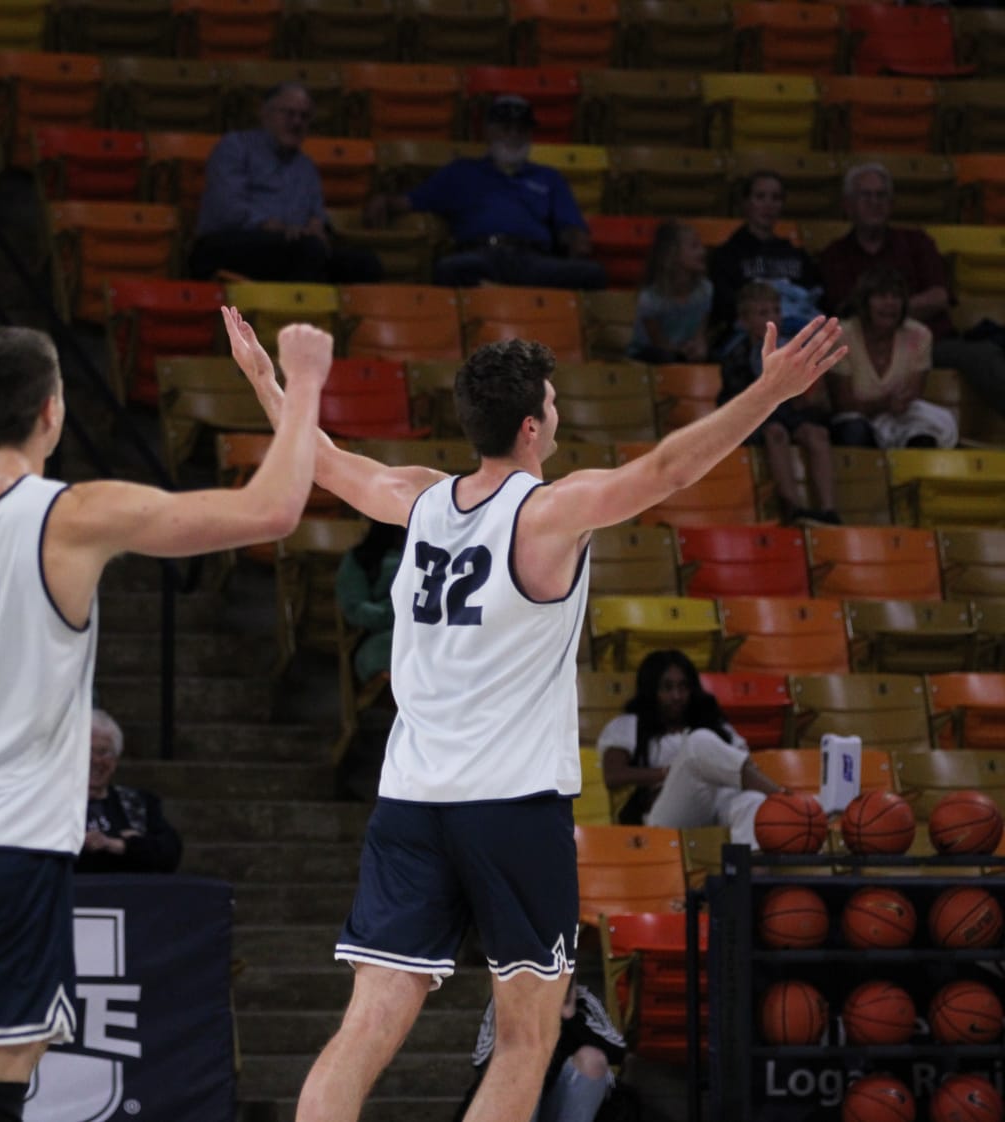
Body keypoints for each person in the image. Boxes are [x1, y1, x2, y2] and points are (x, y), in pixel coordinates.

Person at [222, 298, 846, 1122]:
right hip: (511, 808)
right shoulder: (547, 512)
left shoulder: (419, 499)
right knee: (525, 1041)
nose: (556, 416)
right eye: (550, 404)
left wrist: (270, 382)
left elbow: (325, 461)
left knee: (367, 1025)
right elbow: (666, 472)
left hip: (411, 803)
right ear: (529, 426)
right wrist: (768, 394)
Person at [0, 313, 331, 1122]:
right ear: (52, 411)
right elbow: (271, 512)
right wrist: (304, 385)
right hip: (4, 849)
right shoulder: (75, 515)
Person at [818, 161, 1005, 421]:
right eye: (866, 195)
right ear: (847, 205)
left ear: (892, 203)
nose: (875, 202)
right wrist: (901, 311)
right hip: (866, 351)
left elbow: (939, 297)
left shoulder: (917, 242)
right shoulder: (834, 255)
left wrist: (882, 311)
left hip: (931, 343)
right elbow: (847, 313)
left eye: (882, 195)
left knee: (982, 354)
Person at [362, 95, 608, 290]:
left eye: (520, 129)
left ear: (530, 134)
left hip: (532, 259)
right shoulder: (461, 172)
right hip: (481, 255)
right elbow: (409, 201)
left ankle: (507, 293)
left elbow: (571, 226)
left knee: (592, 274)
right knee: (448, 269)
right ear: (489, 131)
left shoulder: (548, 177)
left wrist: (576, 239)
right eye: (505, 127)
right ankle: (507, 295)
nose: (513, 135)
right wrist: (383, 200)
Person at [188, 82, 382, 284]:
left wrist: (317, 226)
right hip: (231, 241)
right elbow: (228, 209)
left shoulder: (306, 166)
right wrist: (277, 227)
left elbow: (316, 216)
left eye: (304, 117)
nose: (297, 122)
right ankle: (294, 312)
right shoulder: (235, 147)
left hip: (292, 246)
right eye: (288, 114)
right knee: (306, 250)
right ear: (265, 114)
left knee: (365, 264)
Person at [597, 650, 786, 849]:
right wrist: (668, 773)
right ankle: (784, 799)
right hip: (669, 811)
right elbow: (614, 775)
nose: (676, 696)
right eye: (667, 688)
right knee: (698, 743)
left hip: (720, 799)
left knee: (753, 800)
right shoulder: (629, 725)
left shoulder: (715, 725)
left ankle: (747, 873)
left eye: (683, 687)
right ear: (651, 691)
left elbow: (745, 766)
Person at [718, 282, 839, 523]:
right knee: (776, 432)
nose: (773, 318)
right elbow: (739, 401)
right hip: (753, 420)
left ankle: (828, 510)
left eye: (776, 311)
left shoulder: (791, 350)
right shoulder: (736, 354)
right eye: (763, 313)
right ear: (744, 320)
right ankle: (792, 507)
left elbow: (809, 395)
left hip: (790, 412)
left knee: (816, 434)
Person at [454, 974, 627, 1122]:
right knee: (520, 1066)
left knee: (592, 1058)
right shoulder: (505, 1000)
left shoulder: (585, 1001)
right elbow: (480, 1060)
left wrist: (570, 1016)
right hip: (518, 1101)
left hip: (567, 1103)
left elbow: (617, 1051)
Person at [828, 266, 958, 451]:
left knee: (923, 434)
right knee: (855, 431)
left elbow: (911, 394)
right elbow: (843, 404)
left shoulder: (919, 335)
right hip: (854, 418)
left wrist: (895, 405)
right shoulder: (841, 335)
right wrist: (882, 404)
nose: (890, 303)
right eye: (881, 296)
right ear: (865, 302)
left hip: (899, 417)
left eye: (896, 297)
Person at [708, 170, 823, 348]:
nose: (768, 205)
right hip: (747, 340)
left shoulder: (796, 255)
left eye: (775, 198)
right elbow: (726, 308)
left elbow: (813, 299)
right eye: (760, 197)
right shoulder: (727, 255)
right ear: (745, 203)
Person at [76, 709, 182, 874]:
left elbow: (170, 853)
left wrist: (119, 845)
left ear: (116, 760)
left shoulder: (139, 803)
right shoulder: (53, 804)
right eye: (88, 751)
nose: (96, 760)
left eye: (104, 752)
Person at [628, 221, 712, 364]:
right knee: (667, 358)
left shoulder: (705, 289)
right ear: (672, 254)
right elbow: (657, 342)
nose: (702, 251)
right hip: (650, 354)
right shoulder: (650, 299)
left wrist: (698, 348)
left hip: (684, 351)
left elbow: (700, 333)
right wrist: (680, 351)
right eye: (694, 246)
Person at [335, 520, 404, 686]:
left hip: (430, 634)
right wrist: (395, 612)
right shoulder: (362, 559)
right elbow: (355, 609)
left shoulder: (435, 555)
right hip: (383, 639)